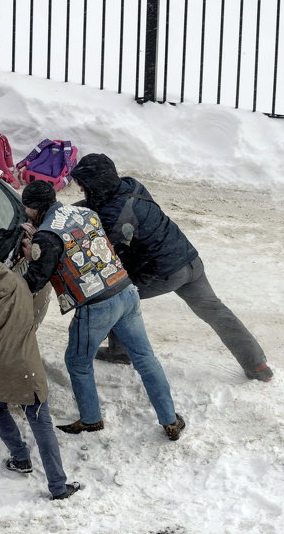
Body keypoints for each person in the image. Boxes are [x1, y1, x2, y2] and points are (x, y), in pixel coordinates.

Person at [69, 153, 273, 382]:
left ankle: (120, 352)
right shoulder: (131, 185)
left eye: (84, 186)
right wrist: (66, 210)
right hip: (189, 260)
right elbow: (98, 205)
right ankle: (257, 364)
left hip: (165, 272)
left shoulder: (113, 215)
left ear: (96, 185)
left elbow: (98, 241)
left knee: (115, 292)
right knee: (215, 311)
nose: (81, 191)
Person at [18, 180, 186, 441]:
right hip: (125, 290)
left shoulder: (46, 236)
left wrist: (33, 255)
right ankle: (170, 419)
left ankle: (90, 419)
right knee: (145, 358)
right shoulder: (85, 212)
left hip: (96, 306)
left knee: (77, 362)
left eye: (27, 207)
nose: (25, 212)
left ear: (34, 207)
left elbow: (36, 280)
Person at [0, 242, 82, 501]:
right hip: (27, 363)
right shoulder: (15, 281)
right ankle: (58, 486)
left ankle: (21, 457)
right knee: (40, 420)